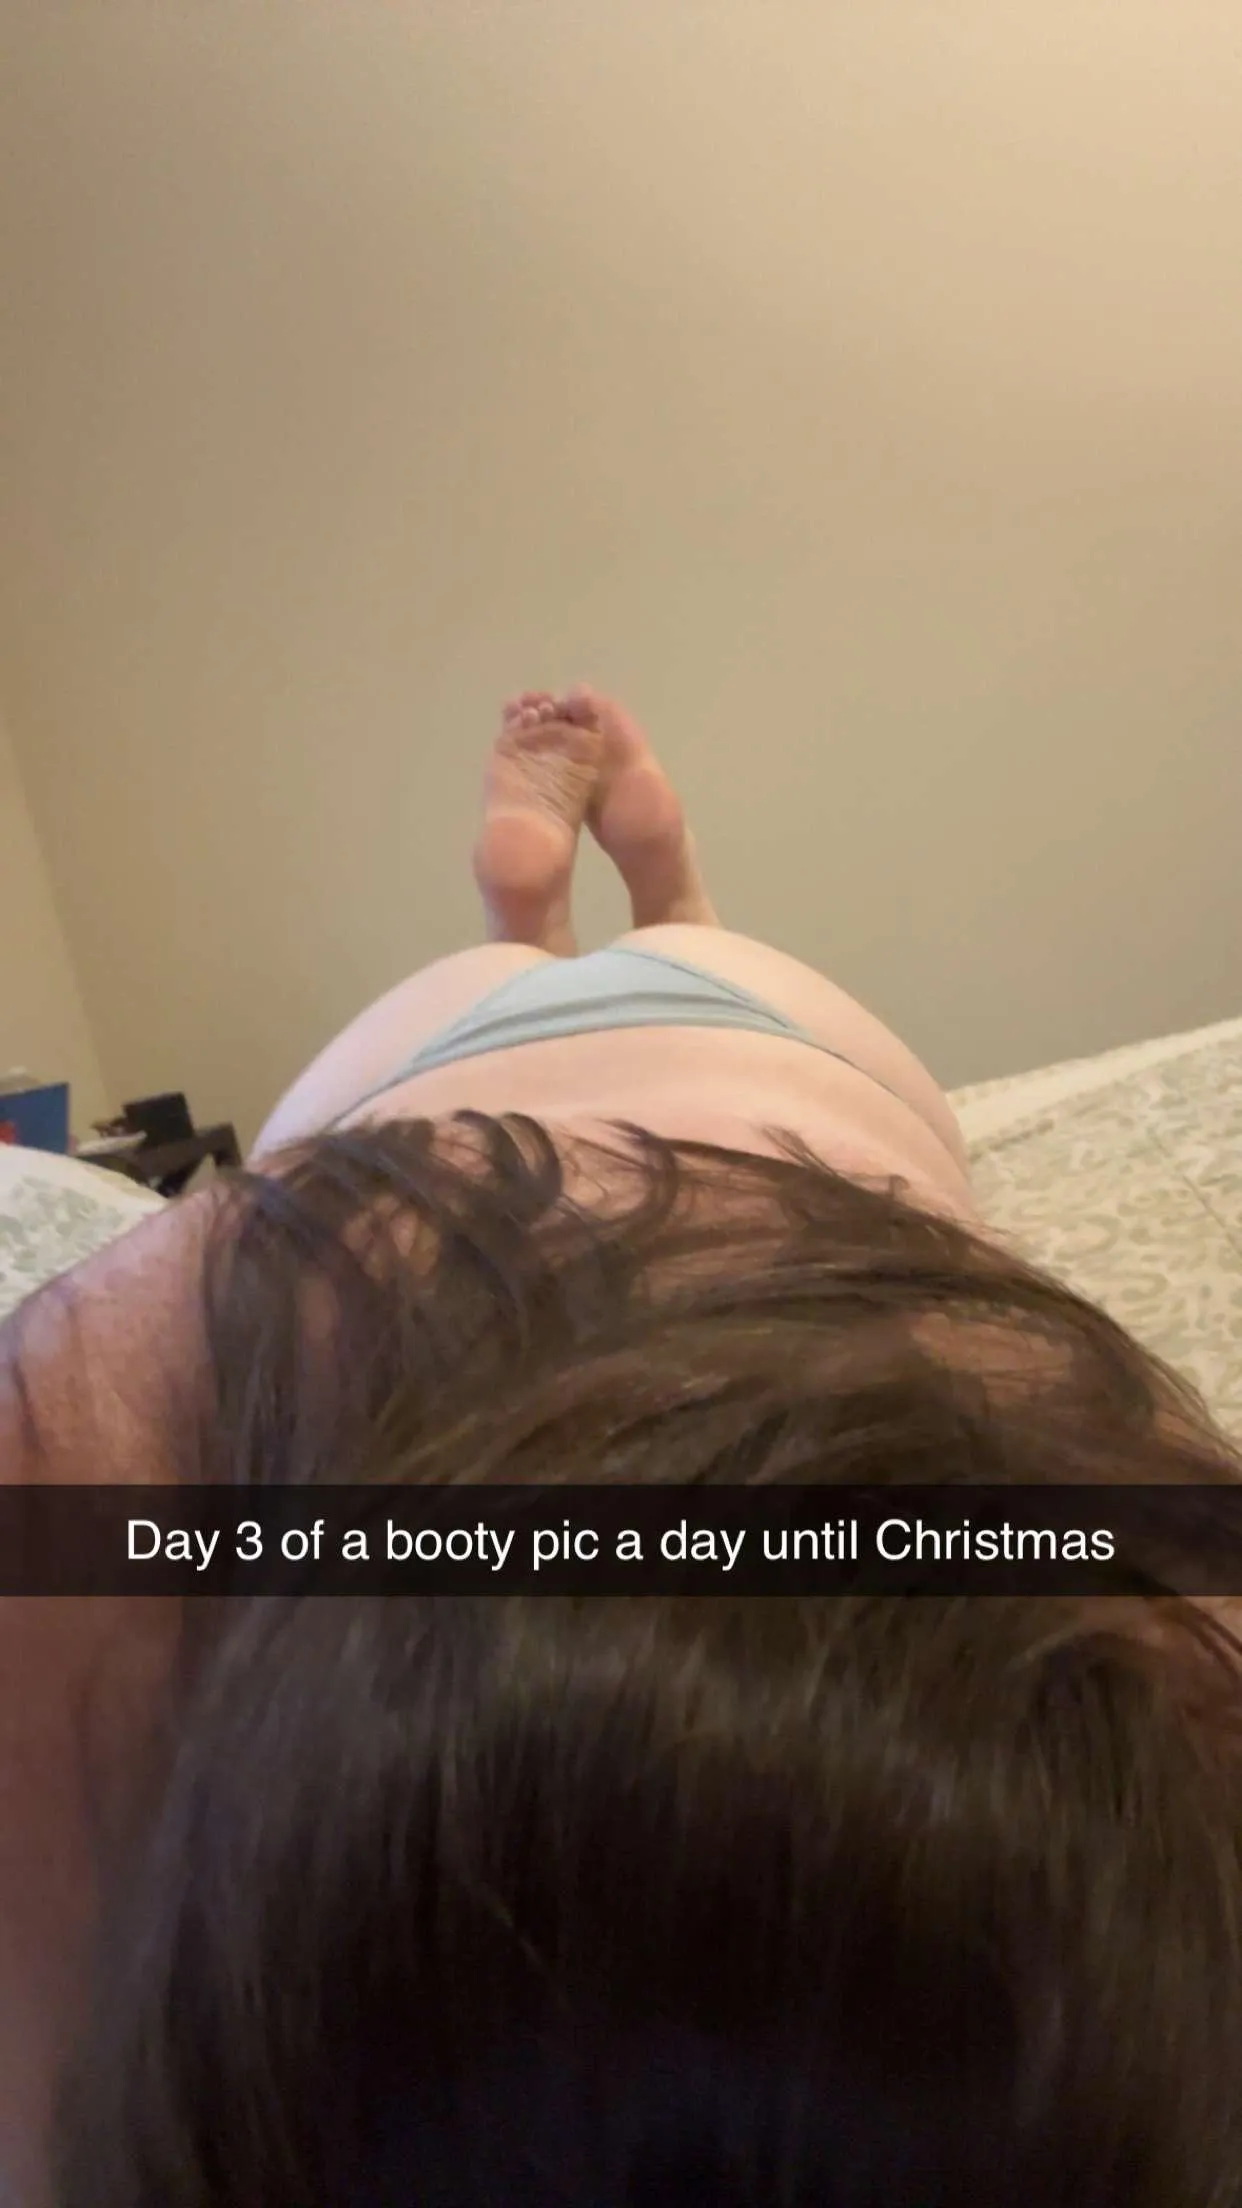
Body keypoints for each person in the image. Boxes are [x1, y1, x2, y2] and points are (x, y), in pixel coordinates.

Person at [3, 691, 1242, 2208]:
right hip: (418, 1086)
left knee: (741, 1039)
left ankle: (642, 915)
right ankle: (569, 924)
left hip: (775, 1054)